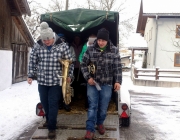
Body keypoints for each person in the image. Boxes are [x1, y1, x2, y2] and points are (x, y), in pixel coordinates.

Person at [27, 22, 74, 139]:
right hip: (42, 80)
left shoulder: (62, 45)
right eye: (44, 40)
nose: (46, 42)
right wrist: (30, 75)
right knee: (45, 103)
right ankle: (49, 120)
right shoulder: (37, 46)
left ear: (53, 37)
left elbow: (70, 62)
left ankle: (52, 128)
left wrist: (70, 75)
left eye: (48, 40)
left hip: (56, 81)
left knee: (53, 103)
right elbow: (33, 61)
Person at [80, 28, 122, 139]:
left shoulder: (114, 50)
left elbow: (117, 67)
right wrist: (88, 77)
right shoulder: (90, 49)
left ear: (107, 40)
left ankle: (100, 123)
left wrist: (117, 81)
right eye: (99, 40)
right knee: (92, 106)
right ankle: (90, 129)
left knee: (103, 107)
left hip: (107, 83)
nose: (100, 42)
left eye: (103, 40)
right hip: (93, 83)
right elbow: (83, 64)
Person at [78, 34, 96, 109]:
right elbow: (81, 56)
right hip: (86, 70)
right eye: (91, 39)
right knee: (87, 86)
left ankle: (94, 105)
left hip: (95, 69)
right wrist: (82, 62)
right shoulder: (85, 46)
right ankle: (87, 105)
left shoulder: (97, 46)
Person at [70, 35, 84, 100]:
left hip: (81, 67)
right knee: (74, 81)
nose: (77, 40)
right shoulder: (71, 47)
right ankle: (73, 96)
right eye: (76, 38)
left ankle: (80, 95)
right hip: (74, 67)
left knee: (80, 81)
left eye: (78, 38)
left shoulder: (82, 46)